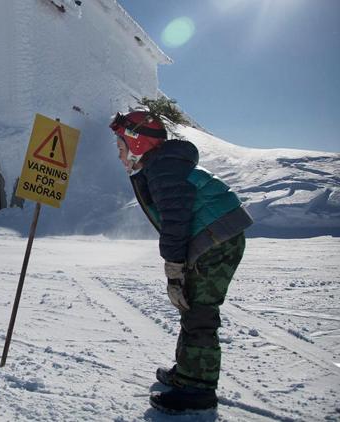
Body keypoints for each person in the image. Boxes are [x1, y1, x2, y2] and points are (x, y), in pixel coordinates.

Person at [108, 110, 253, 413]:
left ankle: (198, 390)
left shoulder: (163, 168)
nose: (119, 156)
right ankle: (188, 373)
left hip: (216, 239)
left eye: (122, 148)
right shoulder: (163, 165)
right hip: (215, 236)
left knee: (199, 310)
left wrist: (174, 269)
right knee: (191, 305)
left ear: (137, 145)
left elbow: (175, 220)